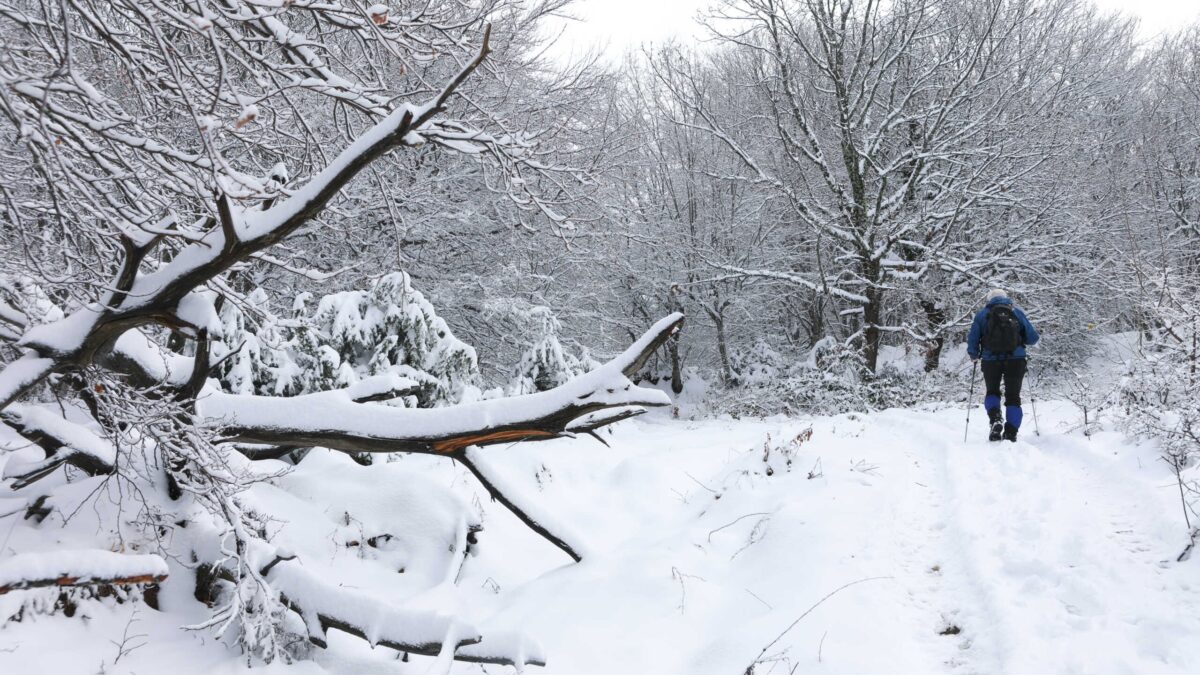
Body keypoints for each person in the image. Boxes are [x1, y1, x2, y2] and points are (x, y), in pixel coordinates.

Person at [966, 289, 1039, 442]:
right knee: (1013, 397)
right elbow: (1032, 338)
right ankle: (1011, 432)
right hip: (1016, 360)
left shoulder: (982, 315)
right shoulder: (1016, 312)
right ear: (1006, 298)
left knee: (992, 392)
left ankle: (995, 419)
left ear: (989, 300)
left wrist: (974, 355)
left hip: (990, 361)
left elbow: (973, 338)